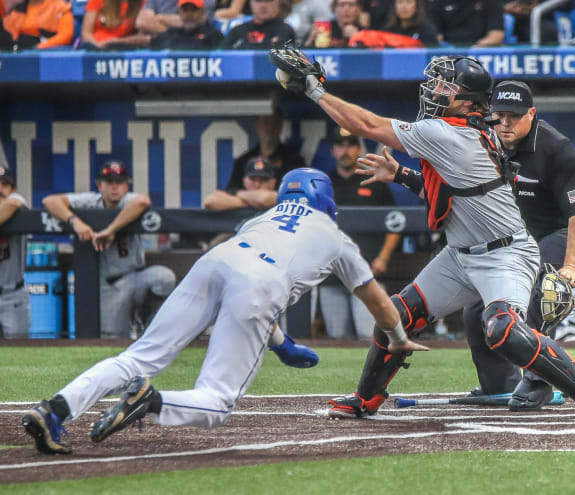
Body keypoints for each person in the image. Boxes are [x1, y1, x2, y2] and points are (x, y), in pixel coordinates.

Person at [272, 48, 575, 421]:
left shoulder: (449, 133)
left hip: (506, 253)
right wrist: (402, 175)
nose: (433, 90)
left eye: (444, 85)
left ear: (467, 100)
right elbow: (449, 192)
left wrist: (314, 90)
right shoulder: (465, 130)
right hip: (461, 253)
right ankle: (366, 397)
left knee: (503, 328)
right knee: (397, 315)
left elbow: (367, 126)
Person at [21, 168, 428, 455]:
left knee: (138, 357)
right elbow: (376, 300)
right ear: (325, 199)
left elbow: (243, 284)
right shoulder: (337, 238)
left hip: (215, 261)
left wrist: (281, 342)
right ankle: (152, 401)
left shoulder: (261, 217)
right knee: (217, 401)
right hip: (259, 283)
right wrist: (397, 338)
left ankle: (55, 409)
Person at [462, 80, 575, 410]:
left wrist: (571, 267)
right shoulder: (484, 140)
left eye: (514, 116)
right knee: (477, 308)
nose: (504, 123)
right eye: (499, 115)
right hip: (515, 238)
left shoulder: (556, 148)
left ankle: (540, 382)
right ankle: (500, 385)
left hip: (557, 233)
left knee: (544, 294)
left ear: (531, 114)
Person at [42, 160, 176, 339]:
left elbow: (143, 201)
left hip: (137, 278)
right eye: (109, 182)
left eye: (119, 182)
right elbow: (50, 201)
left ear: (127, 186)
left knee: (164, 277)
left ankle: (146, 320)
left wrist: (110, 231)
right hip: (110, 285)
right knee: (112, 340)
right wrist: (75, 222)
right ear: (99, 185)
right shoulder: (91, 201)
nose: (115, 187)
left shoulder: (129, 201)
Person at [319, 128, 401, 339]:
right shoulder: (323, 184)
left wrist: (383, 258)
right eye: (340, 146)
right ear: (333, 150)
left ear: (358, 149)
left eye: (350, 146)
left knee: (370, 335)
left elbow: (395, 223)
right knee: (337, 337)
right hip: (332, 273)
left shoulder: (373, 180)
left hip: (368, 273)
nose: (345, 151)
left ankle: (372, 373)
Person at [227, 111, 306, 190]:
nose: (270, 128)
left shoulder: (294, 160)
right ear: (257, 125)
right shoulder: (244, 161)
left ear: (280, 126)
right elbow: (231, 192)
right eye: (266, 122)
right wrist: (249, 197)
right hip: (249, 202)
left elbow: (302, 189)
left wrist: (272, 197)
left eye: (274, 123)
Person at [0, 166, 30, 339]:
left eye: (5, 185)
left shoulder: (16, 202)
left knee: (20, 353)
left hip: (12, 294)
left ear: (12, 189)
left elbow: (13, 202)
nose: (0, 189)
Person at [204, 156, 278, 212]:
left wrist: (240, 195)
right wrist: (251, 202)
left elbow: (263, 199)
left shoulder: (280, 195)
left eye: (263, 179)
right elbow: (209, 201)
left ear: (273, 182)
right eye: (252, 179)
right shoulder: (238, 194)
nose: (257, 184)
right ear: (244, 181)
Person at [149, 0, 224, 50]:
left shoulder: (213, 34)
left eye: (193, 9)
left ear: (202, 11)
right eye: (185, 9)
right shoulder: (170, 34)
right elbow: (151, 46)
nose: (189, 14)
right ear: (179, 11)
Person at [1, 0, 73, 50]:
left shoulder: (60, 7)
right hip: (18, 49)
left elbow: (66, 36)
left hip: (44, 50)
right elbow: (9, 35)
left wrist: (39, 47)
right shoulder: (16, 8)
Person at [222, 0, 294, 49]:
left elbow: (276, 51)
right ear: (250, 3)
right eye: (258, 0)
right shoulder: (238, 30)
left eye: (268, 0)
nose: (263, 5)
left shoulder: (285, 30)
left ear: (277, 3)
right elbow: (223, 52)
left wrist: (242, 45)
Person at [80, 0, 150, 50]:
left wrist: (116, 42)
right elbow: (86, 33)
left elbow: (142, 35)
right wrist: (99, 47)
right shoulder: (96, 1)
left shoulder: (141, 2)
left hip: (124, 47)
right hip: (96, 47)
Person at [430, 0, 504, 47]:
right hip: (449, 50)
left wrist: (473, 51)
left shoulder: (491, 2)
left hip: (480, 50)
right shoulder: (438, 3)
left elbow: (496, 36)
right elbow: (437, 38)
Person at [504, 0, 575, 43]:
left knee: (545, 29)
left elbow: (567, 5)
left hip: (545, 15)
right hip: (506, 14)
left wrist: (537, 5)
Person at [136, 0, 217, 37]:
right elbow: (142, 22)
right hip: (160, 44)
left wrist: (160, 19)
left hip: (198, 41)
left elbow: (198, 20)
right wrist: (171, 35)